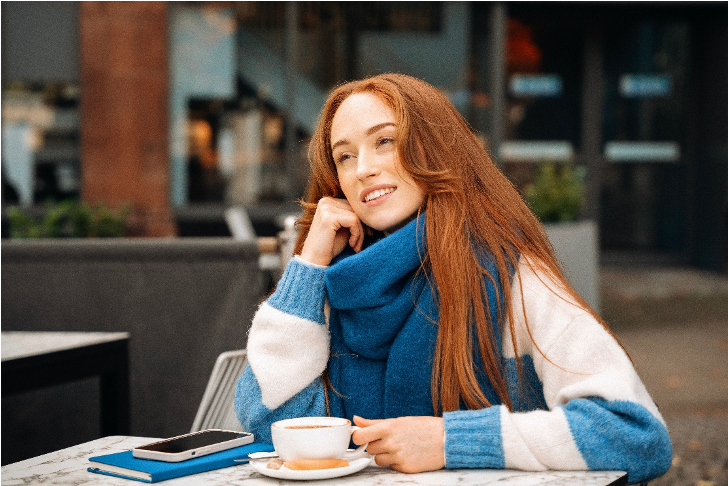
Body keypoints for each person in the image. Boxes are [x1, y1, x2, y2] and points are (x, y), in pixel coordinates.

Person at [234, 73, 672, 483]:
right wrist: (308, 262)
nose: (362, 168)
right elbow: (272, 424)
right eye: (344, 156)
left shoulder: (509, 276)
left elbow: (632, 433)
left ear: (435, 149)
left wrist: (451, 440)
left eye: (384, 141)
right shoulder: (331, 290)